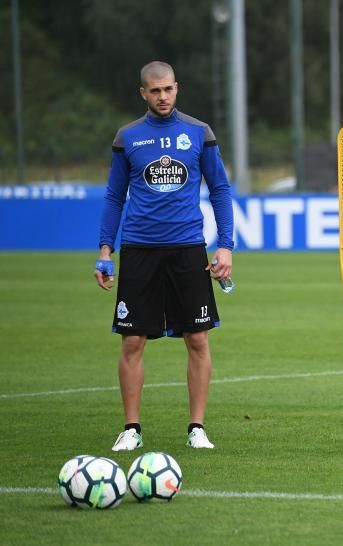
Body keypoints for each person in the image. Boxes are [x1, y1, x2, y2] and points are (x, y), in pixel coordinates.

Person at [94, 61, 234, 451]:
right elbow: (113, 196)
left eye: (168, 89)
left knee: (198, 340)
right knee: (133, 341)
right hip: (139, 249)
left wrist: (225, 246)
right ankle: (132, 429)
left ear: (177, 88)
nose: (163, 97)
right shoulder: (128, 138)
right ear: (143, 93)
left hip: (188, 248)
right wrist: (106, 250)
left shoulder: (198, 133)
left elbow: (220, 190)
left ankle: (197, 428)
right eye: (154, 91)